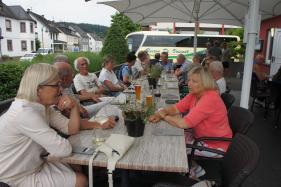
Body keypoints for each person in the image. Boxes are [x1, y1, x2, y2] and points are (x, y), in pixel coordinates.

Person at [0, 63, 87, 187]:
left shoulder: (42, 107)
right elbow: (63, 149)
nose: (60, 89)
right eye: (56, 85)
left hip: (33, 166)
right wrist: (56, 146)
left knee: (77, 167)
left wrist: (73, 107)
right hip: (14, 177)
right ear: (38, 89)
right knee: (80, 180)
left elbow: (70, 129)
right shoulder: (24, 113)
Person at [149, 66, 232, 157]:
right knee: (167, 138)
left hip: (214, 145)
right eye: (189, 80)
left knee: (172, 148)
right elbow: (176, 108)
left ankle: (194, 169)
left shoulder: (209, 98)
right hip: (199, 137)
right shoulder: (195, 94)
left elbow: (183, 124)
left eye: (194, 81)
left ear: (205, 83)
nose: (189, 84)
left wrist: (164, 116)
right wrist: (161, 113)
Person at [54, 61, 117, 130]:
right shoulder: (57, 95)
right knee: (111, 102)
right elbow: (71, 125)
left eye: (86, 63)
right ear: (63, 79)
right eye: (71, 77)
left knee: (112, 100)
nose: (72, 81)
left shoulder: (66, 87)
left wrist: (91, 96)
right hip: (83, 109)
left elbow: (74, 96)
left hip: (83, 107)